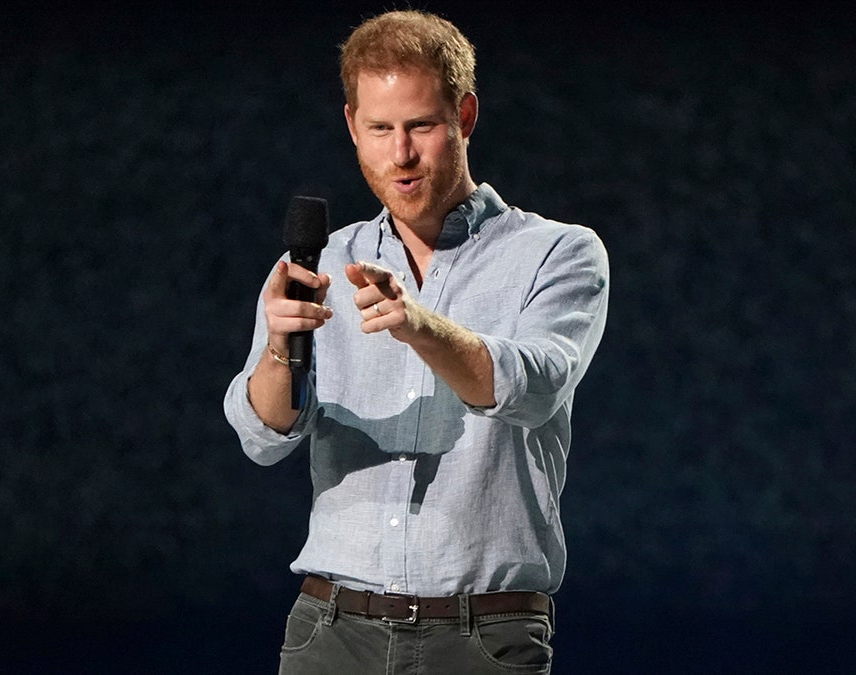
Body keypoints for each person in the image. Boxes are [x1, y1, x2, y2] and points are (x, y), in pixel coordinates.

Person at [223, 9, 609, 674]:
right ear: (352, 127)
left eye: (420, 126)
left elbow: (533, 385)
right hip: (331, 630)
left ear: (464, 116)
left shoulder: (558, 253)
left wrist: (417, 323)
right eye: (379, 129)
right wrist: (280, 347)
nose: (399, 153)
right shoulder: (323, 259)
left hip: (483, 635)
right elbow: (262, 436)